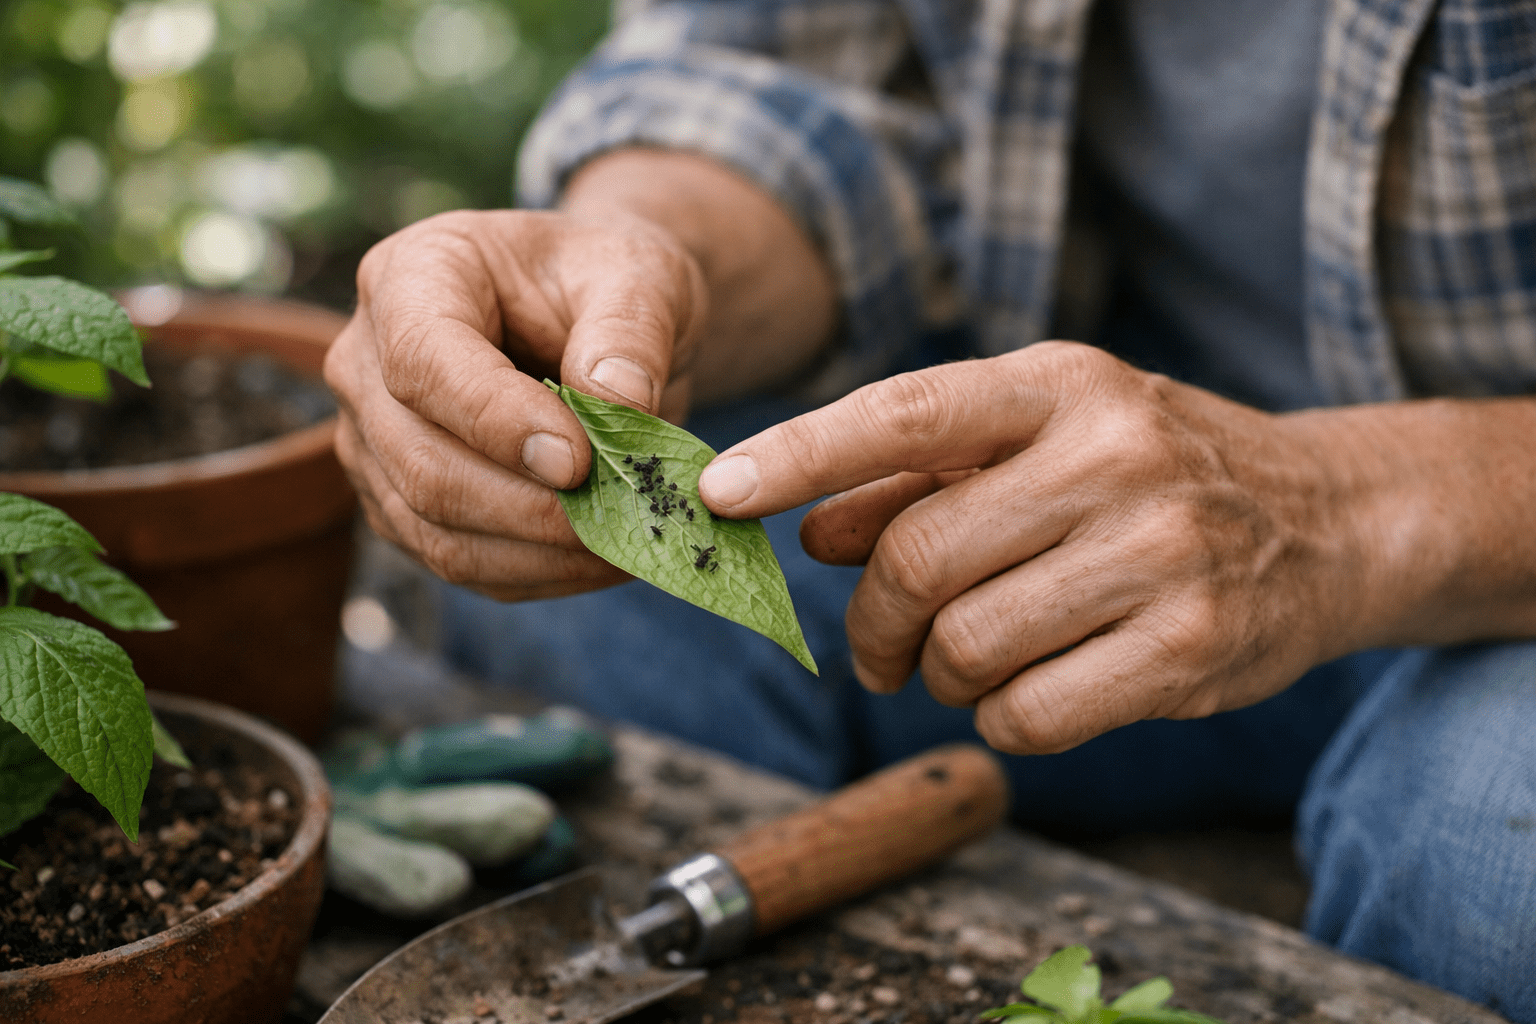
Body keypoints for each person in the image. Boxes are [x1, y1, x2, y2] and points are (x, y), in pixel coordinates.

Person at [323, 0, 1536, 1016]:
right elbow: (781, 71)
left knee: (1494, 860)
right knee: (560, 552)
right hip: (1109, 428)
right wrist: (639, 257)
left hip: (1487, 531)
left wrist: (1347, 506)